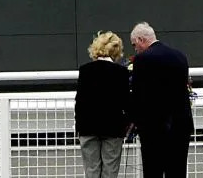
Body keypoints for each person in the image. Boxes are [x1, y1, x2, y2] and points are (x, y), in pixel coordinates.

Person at [128, 22, 193, 178]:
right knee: (177, 171)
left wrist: (132, 120)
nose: (135, 49)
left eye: (134, 44)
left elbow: (138, 95)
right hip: (180, 126)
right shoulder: (180, 56)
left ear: (141, 39)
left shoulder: (142, 60)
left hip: (153, 129)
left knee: (153, 171)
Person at [75, 31, 131, 178]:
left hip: (88, 127)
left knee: (92, 171)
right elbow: (127, 102)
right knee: (110, 171)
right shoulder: (121, 72)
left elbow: (80, 101)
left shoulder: (85, 70)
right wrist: (127, 123)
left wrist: (79, 126)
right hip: (113, 128)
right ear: (116, 50)